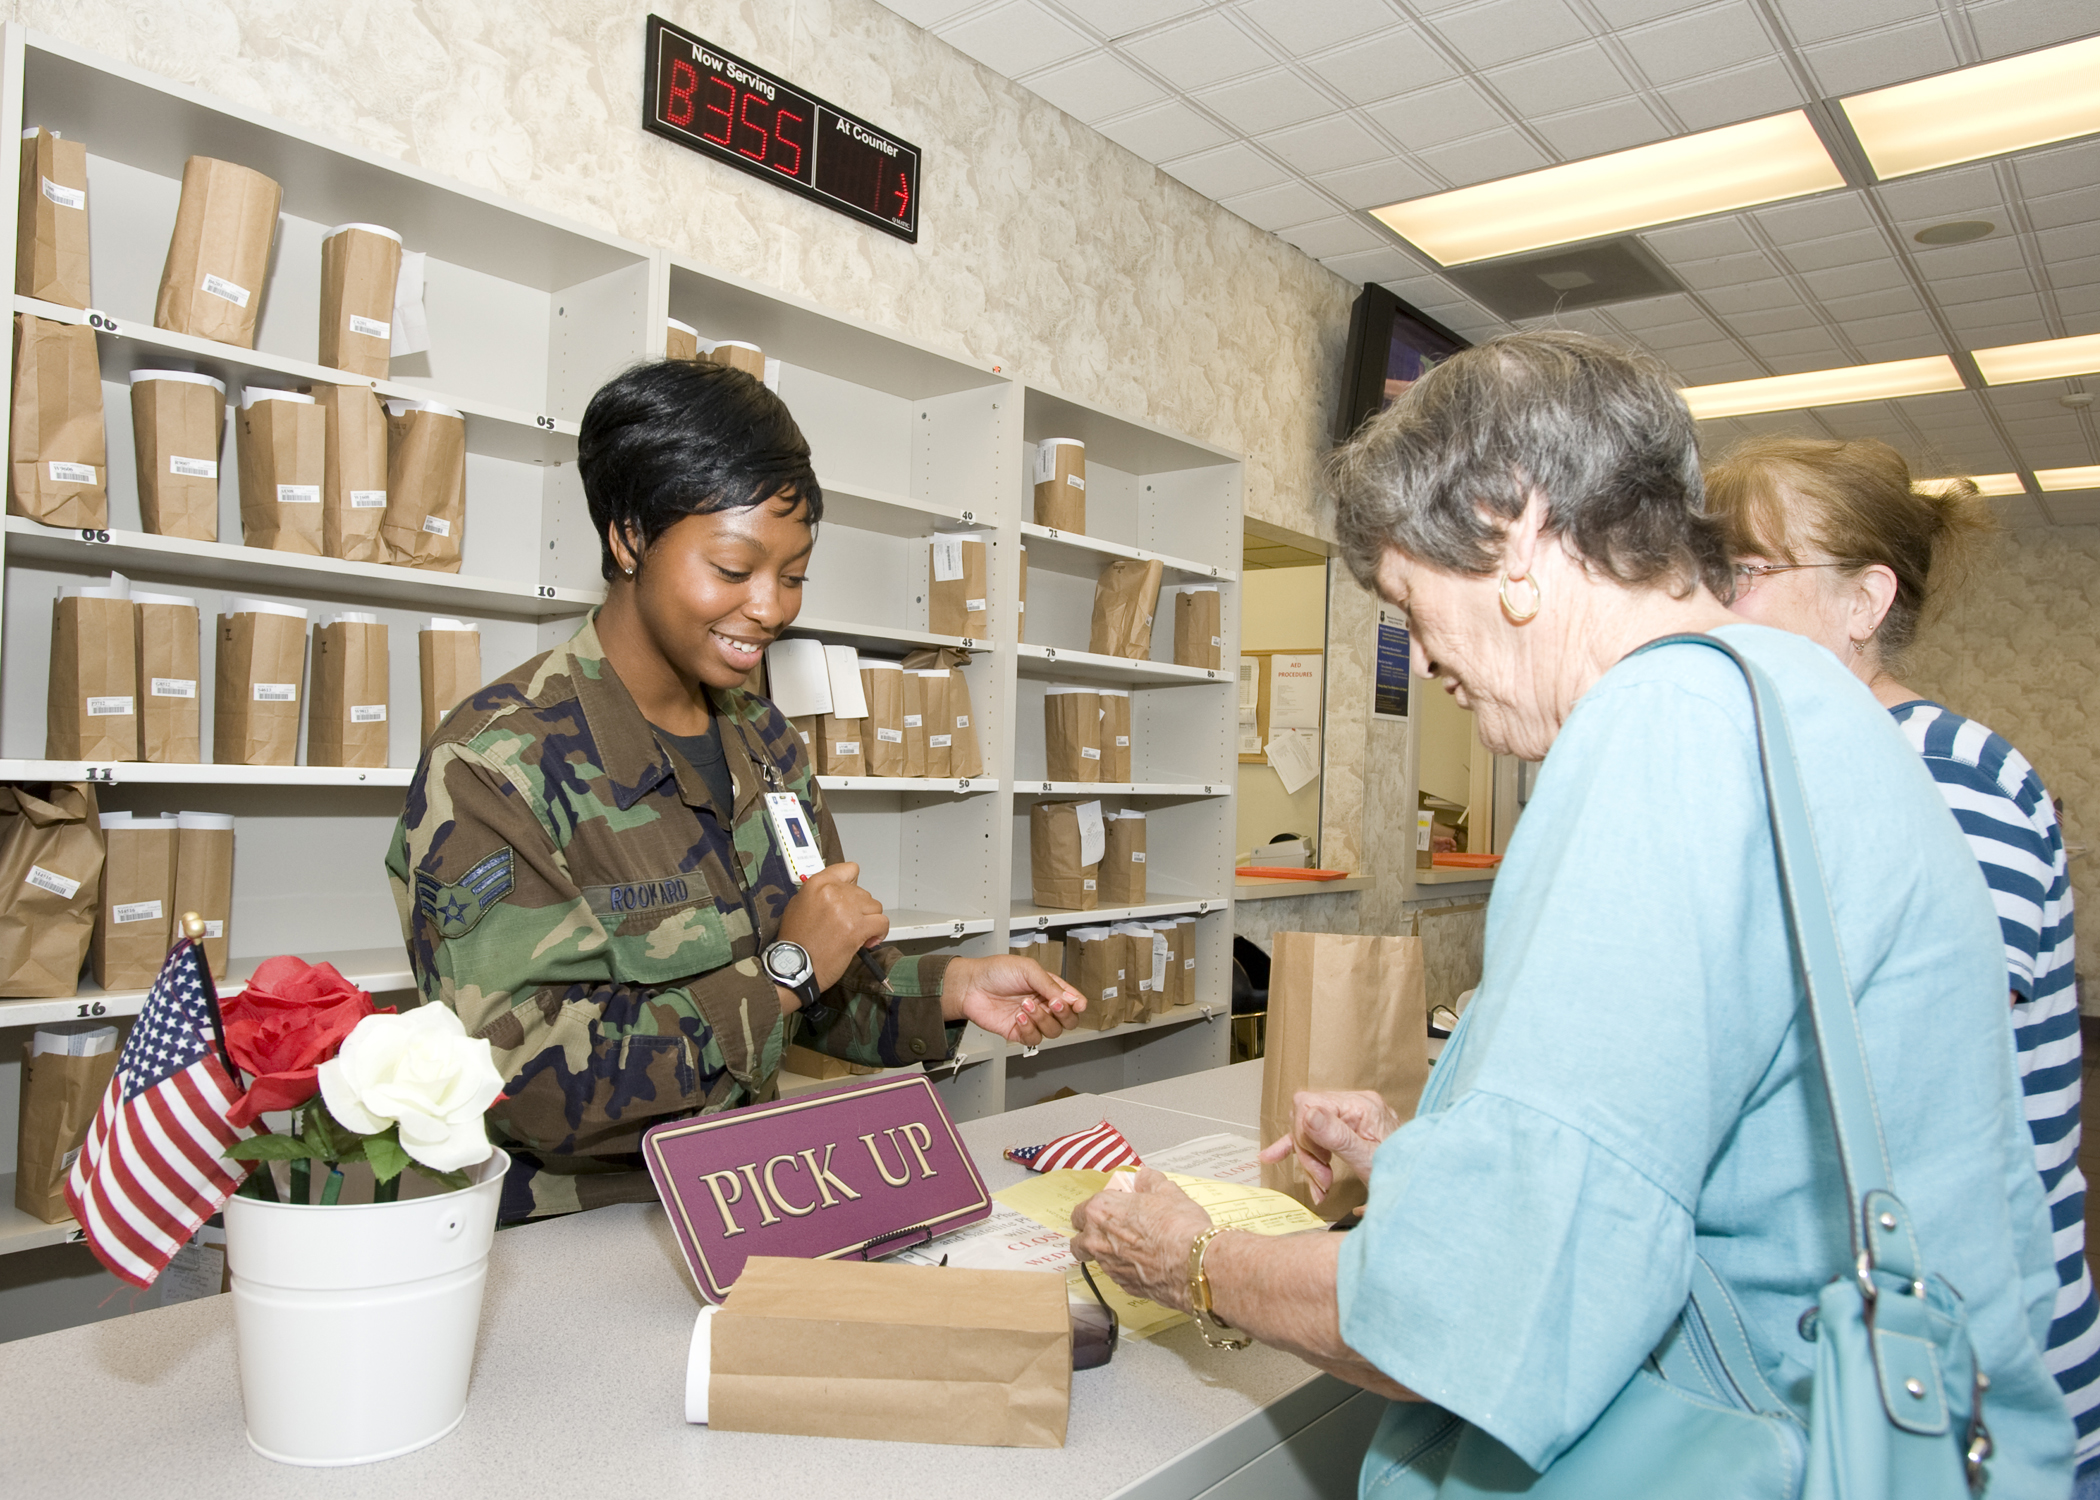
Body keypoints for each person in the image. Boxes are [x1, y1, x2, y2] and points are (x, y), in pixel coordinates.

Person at [1068, 330, 2072, 1494]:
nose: (1424, 652)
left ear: (1514, 529)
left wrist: (1195, 1260)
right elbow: (1701, 1146)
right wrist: (1431, 1163)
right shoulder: (1796, 700)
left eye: (1408, 597)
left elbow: (1471, 1313)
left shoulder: (1659, 739)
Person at [389, 360, 1081, 1222]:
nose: (768, 608)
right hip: (577, 1236)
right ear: (630, 539)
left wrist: (950, 988)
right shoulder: (497, 767)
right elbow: (530, 1086)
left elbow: (815, 994)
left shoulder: (764, 741)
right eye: (732, 567)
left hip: (744, 1202)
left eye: (792, 575)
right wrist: (787, 971)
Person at [1708, 435, 2095, 1492]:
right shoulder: (1800, 764)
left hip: (1969, 1373)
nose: (1710, 603)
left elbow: (1925, 1072)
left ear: (1863, 602)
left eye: (1742, 571)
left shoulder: (1947, 776)